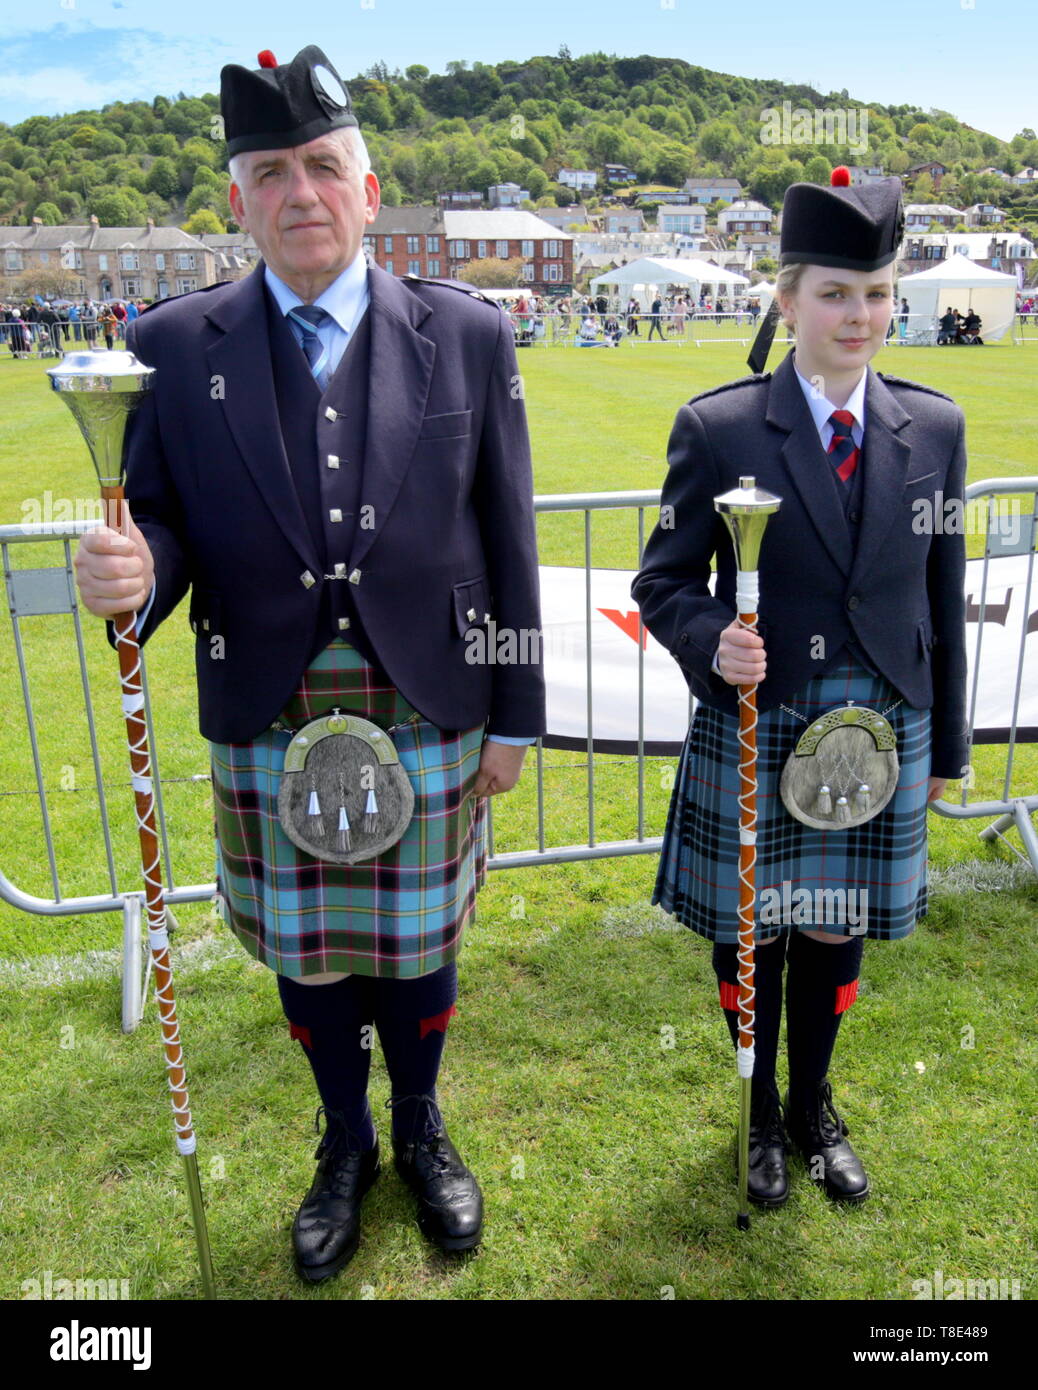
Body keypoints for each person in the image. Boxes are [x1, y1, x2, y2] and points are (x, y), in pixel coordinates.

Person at [72, 43, 545, 1283]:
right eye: (270, 172)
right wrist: (137, 570)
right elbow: (163, 524)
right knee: (309, 952)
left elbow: (510, 537)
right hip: (268, 703)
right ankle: (343, 1141)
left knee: (419, 945)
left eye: (324, 166)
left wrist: (516, 714)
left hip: (433, 695)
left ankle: (422, 1126)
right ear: (237, 198)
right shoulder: (171, 346)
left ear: (369, 189)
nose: (300, 193)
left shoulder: (469, 332)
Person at [633, 167, 968, 1211]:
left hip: (884, 722)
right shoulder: (723, 424)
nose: (857, 314)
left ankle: (813, 1104)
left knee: (835, 924)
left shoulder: (938, 427)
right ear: (786, 300)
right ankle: (755, 1109)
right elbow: (662, 578)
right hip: (765, 715)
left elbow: (944, 595)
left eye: (874, 292)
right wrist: (707, 642)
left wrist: (948, 746)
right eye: (833, 292)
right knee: (754, 926)